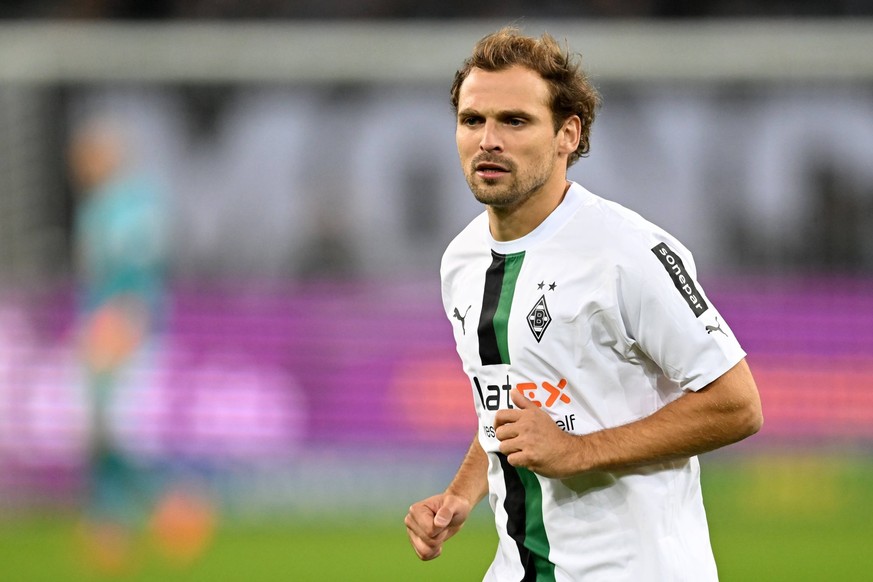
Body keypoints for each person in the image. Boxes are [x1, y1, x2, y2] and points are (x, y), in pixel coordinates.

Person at [404, 27, 763, 581]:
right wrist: (460, 494)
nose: (487, 140)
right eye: (472, 120)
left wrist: (578, 451)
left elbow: (738, 404)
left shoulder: (629, 252)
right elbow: (506, 406)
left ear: (567, 134)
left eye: (514, 121)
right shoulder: (462, 260)